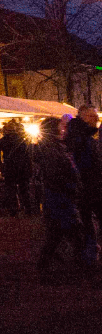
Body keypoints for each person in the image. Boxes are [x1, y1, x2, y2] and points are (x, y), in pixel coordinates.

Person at [35, 115, 84, 272]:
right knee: (72, 232)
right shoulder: (50, 149)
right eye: (60, 127)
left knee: (57, 234)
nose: (63, 130)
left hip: (60, 197)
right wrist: (70, 186)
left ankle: (45, 264)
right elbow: (55, 174)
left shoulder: (56, 146)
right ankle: (79, 266)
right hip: (59, 197)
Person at [63, 106, 102, 262]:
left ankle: (88, 252)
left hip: (89, 186)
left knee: (86, 221)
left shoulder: (82, 135)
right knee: (86, 221)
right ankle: (88, 253)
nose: (97, 120)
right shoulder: (79, 137)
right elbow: (84, 164)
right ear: (85, 117)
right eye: (93, 116)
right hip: (87, 187)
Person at [0, 118, 33, 215]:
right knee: (24, 189)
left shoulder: (4, 140)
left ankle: (14, 209)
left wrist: (0, 164)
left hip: (10, 168)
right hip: (22, 168)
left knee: (11, 190)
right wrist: (29, 168)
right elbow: (28, 155)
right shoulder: (21, 140)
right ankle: (27, 209)